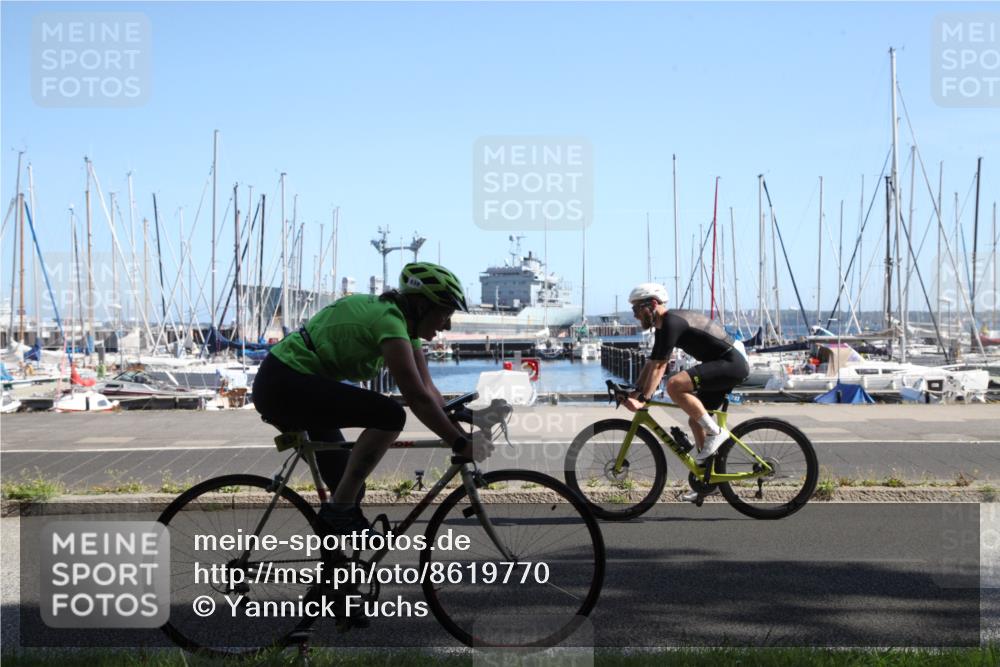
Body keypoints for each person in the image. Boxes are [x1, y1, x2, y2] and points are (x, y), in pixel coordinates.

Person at [253, 262, 494, 535]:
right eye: (445, 314)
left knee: (349, 486)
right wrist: (459, 442)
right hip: (283, 383)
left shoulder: (405, 327)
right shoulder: (388, 321)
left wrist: (459, 434)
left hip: (296, 383)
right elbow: (416, 397)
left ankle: (334, 551)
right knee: (389, 415)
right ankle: (339, 513)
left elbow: (428, 390)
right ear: (421, 306)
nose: (447, 325)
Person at [622, 283, 749, 503]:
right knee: (695, 421)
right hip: (721, 364)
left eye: (636, 309)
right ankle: (706, 480)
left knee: (674, 385)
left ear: (652, 304)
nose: (634, 315)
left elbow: (660, 367)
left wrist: (644, 399)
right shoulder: (663, 327)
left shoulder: (672, 322)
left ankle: (716, 432)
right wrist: (636, 390)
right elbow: (652, 362)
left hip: (730, 364)